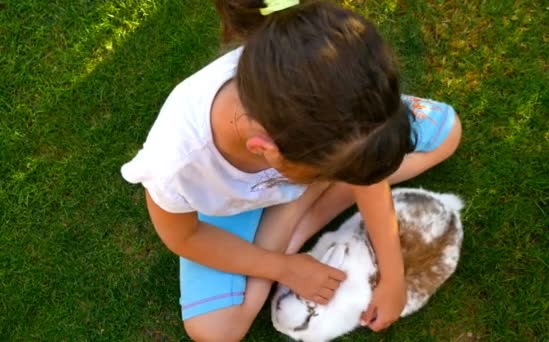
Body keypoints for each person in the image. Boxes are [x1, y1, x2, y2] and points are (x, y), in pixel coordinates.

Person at [121, 0, 462, 340]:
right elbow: (185, 236)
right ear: (266, 150)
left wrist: (394, 275)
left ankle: (299, 214)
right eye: (327, 172)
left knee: (448, 134)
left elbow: (366, 171)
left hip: (343, 126)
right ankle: (300, 210)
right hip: (233, 209)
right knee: (216, 332)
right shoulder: (177, 165)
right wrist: (284, 268)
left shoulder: (313, 89)